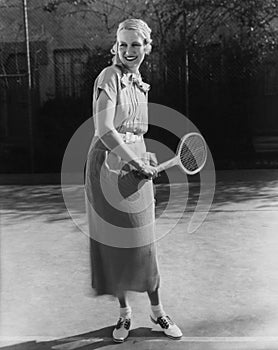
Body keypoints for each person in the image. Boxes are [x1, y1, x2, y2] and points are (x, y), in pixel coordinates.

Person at [85, 18, 182, 343]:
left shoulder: (138, 81)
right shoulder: (109, 76)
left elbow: (135, 131)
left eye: (135, 44)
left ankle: (157, 311)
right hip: (107, 166)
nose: (128, 50)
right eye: (123, 44)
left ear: (146, 48)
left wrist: (144, 158)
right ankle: (125, 314)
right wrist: (134, 159)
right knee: (116, 243)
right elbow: (104, 129)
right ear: (116, 46)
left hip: (134, 162)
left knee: (144, 242)